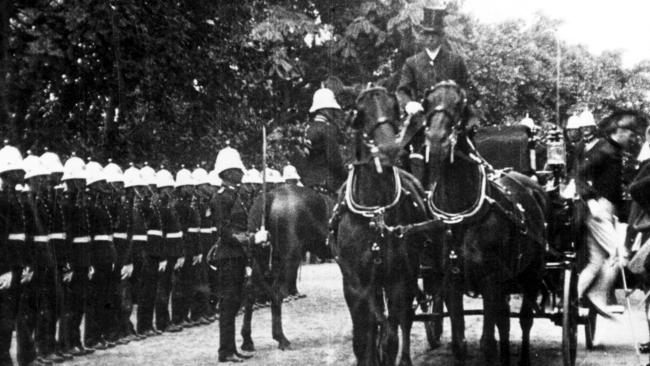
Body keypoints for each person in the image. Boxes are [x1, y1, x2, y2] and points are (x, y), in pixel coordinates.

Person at [577, 110, 645, 317]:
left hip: (608, 210)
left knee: (596, 262)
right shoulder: (603, 149)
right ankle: (598, 297)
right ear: (620, 131)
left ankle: (575, 299)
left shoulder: (614, 151)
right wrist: (590, 201)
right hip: (600, 211)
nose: (632, 139)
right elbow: (580, 173)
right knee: (618, 254)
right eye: (631, 135)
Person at [212, 146, 259, 363]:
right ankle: (225, 351)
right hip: (228, 255)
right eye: (237, 170)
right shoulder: (221, 197)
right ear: (227, 172)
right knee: (228, 304)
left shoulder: (237, 196)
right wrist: (249, 239)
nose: (241, 173)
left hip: (238, 255)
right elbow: (224, 229)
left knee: (234, 304)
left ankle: (231, 348)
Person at [396, 6, 469, 112]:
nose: (430, 38)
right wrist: (409, 104)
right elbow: (402, 91)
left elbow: (469, 89)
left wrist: (456, 99)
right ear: (422, 36)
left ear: (442, 36)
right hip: (421, 115)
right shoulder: (411, 63)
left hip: (450, 117)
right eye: (427, 34)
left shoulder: (456, 61)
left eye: (435, 34)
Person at [0, 143, 26, 366]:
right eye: (18, 171)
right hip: (6, 266)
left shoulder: (15, 198)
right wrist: (5, 268)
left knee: (11, 315)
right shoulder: (2, 199)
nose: (22, 174)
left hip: (17, 264)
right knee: (4, 318)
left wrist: (23, 264)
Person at [300, 88, 348, 194]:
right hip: (327, 182)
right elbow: (334, 161)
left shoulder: (308, 127)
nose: (333, 113)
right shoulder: (327, 128)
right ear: (324, 109)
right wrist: (347, 173)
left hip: (308, 181)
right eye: (331, 109)